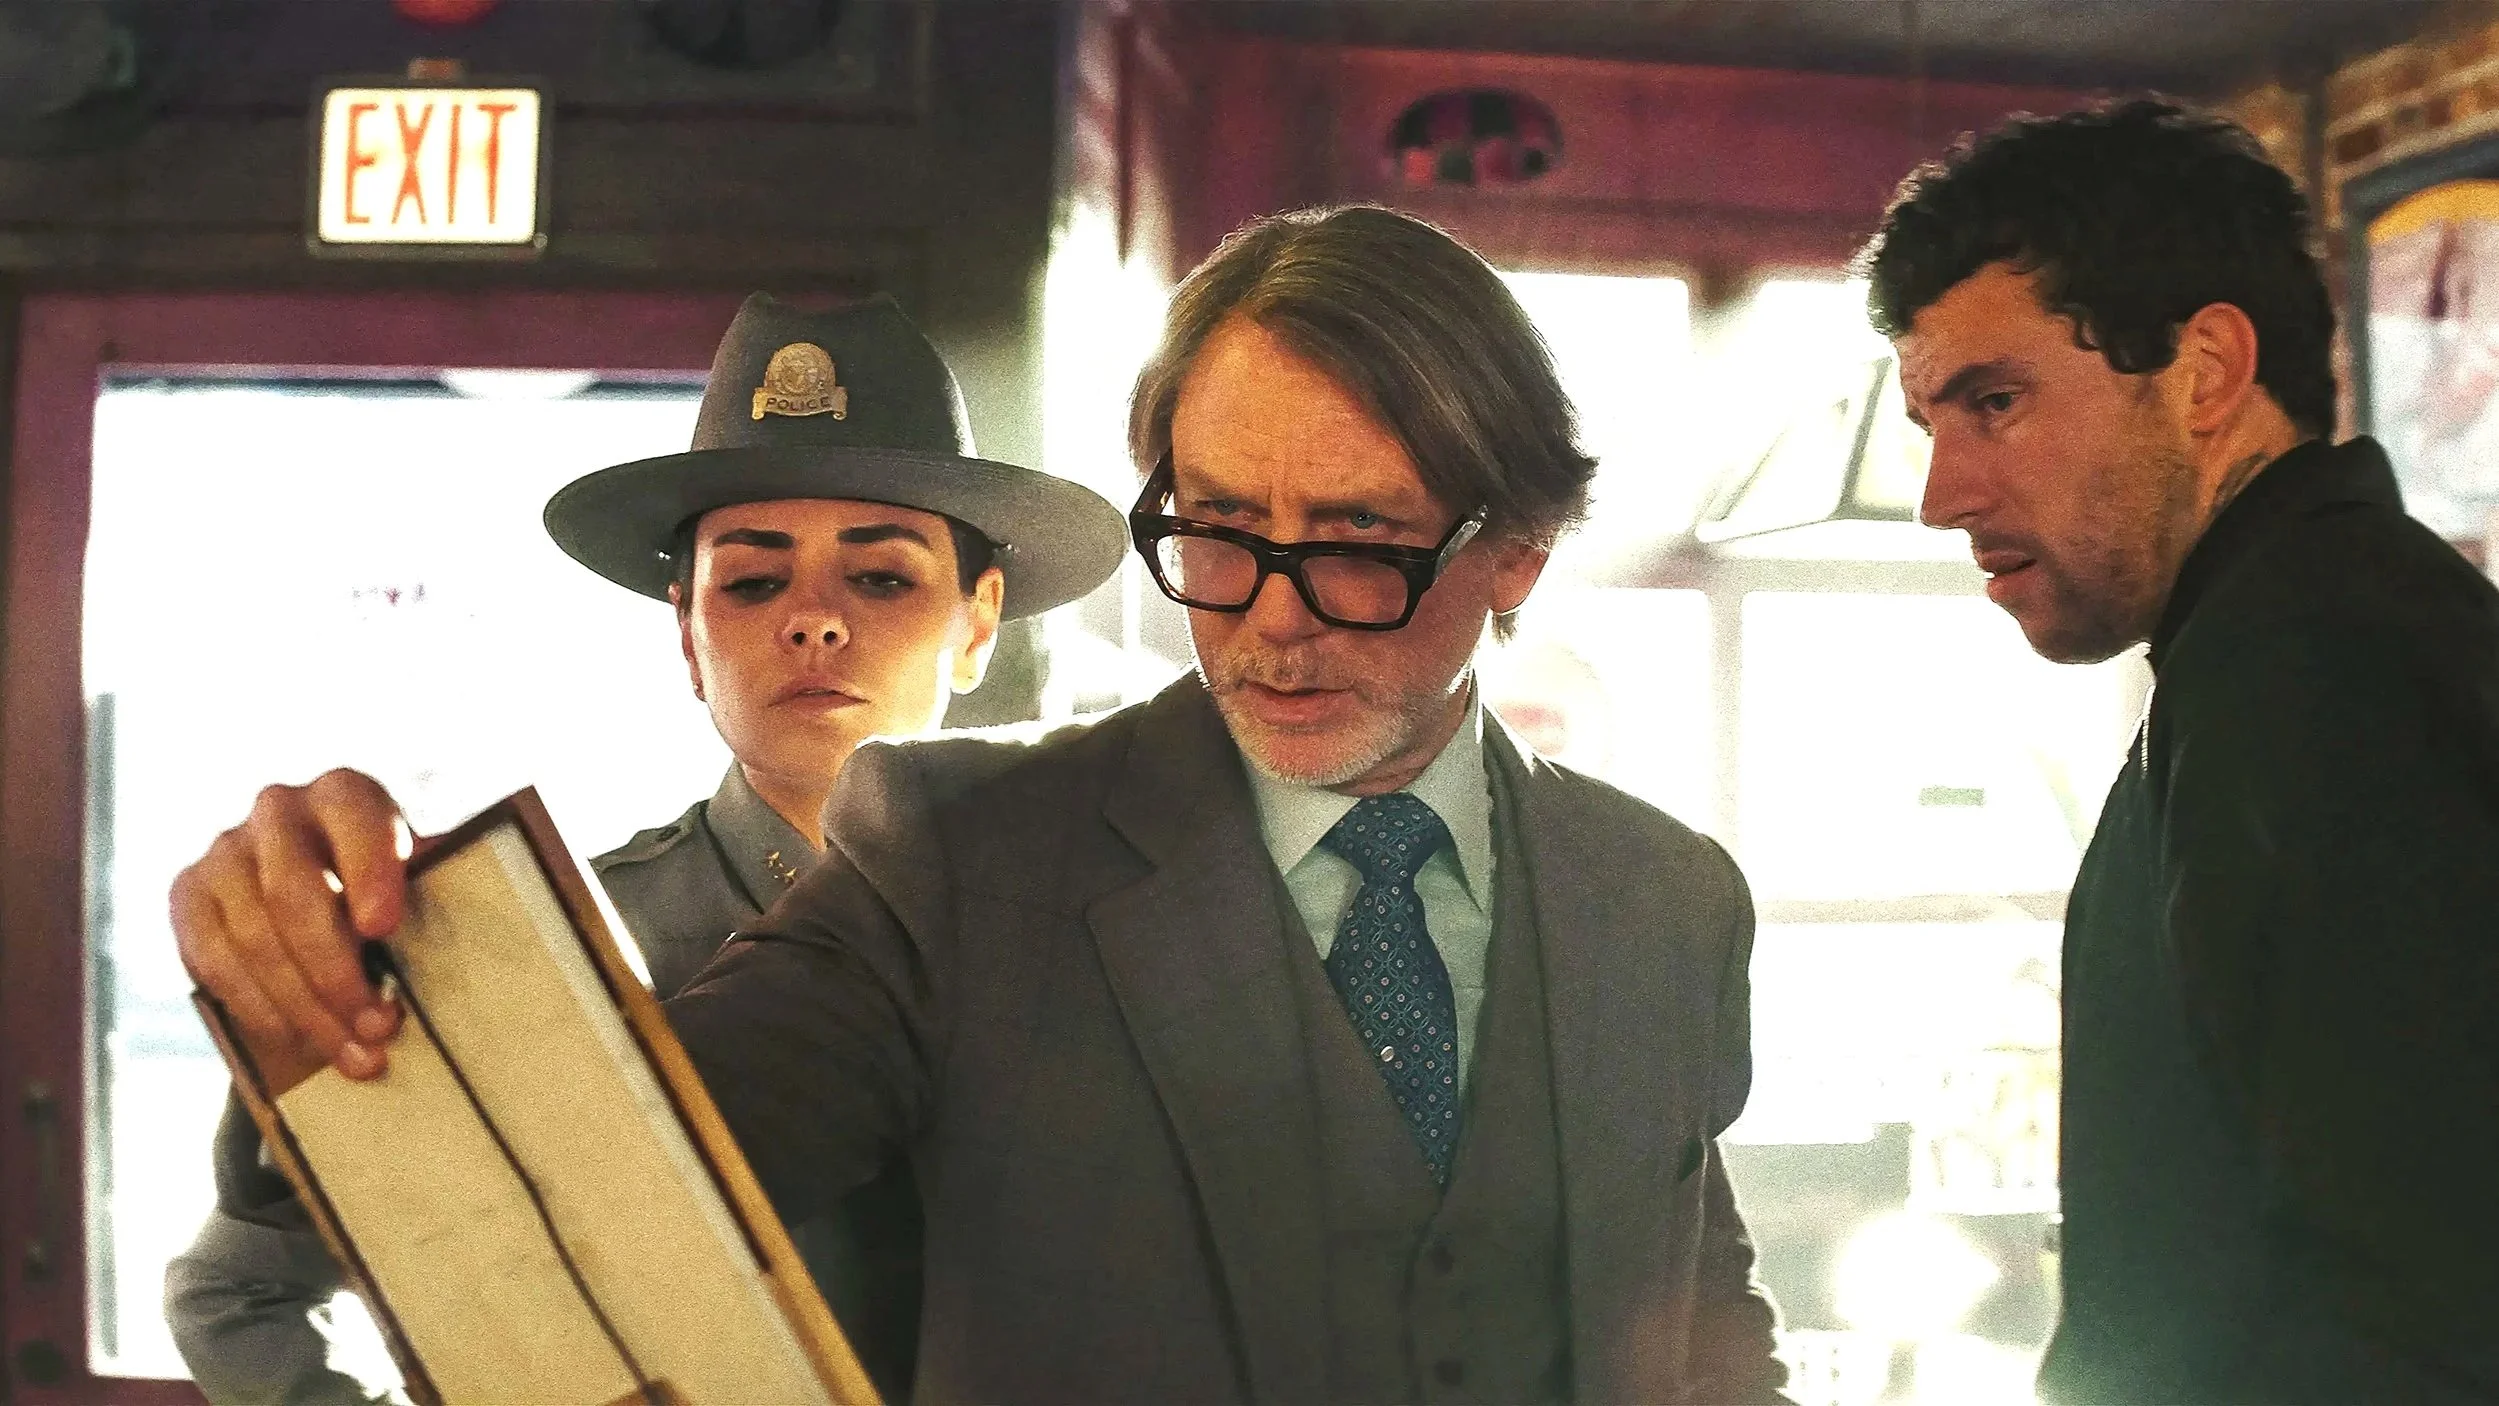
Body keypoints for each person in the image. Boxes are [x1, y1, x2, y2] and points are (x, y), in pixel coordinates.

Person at [171, 206, 1789, 1404]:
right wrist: (333, 967)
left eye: (1358, 545)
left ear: (1514, 554)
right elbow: (616, 1154)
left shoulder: (1664, 899)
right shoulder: (955, 856)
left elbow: (1700, 1326)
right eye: (1218, 532)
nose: (1270, 620)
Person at [162, 293, 1126, 1405]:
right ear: (687, 635)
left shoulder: (1111, 932)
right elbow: (234, 1295)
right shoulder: (557, 959)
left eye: (881, 577)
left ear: (977, 623)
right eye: (753, 580)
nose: (815, 619)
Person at [1862, 99, 2499, 1403]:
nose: (1942, 495)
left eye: (1995, 402)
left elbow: (2431, 1308)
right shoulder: (2290, 639)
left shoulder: (2325, 671)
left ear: (2203, 371)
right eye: (1931, 425)